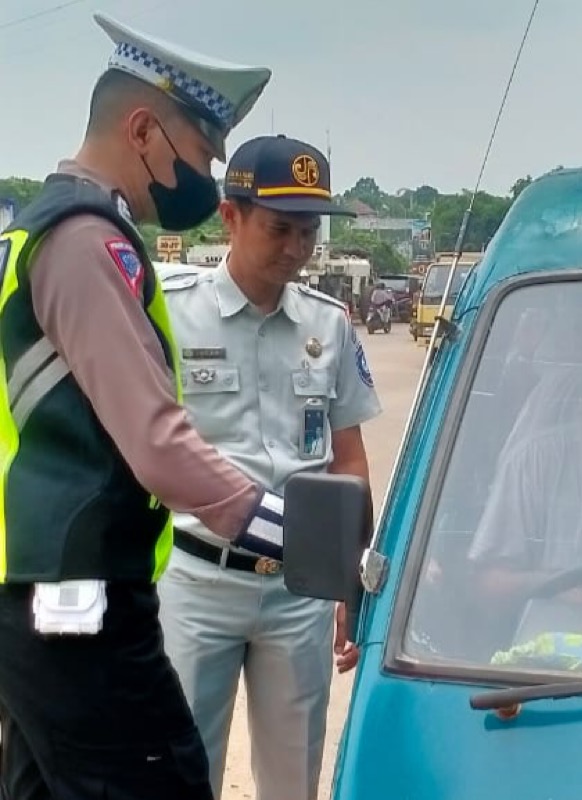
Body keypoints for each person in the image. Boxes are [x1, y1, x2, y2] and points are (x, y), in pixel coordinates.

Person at [0, 14, 295, 800]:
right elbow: (158, 446)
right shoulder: (88, 242)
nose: (205, 175)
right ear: (143, 129)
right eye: (201, 153)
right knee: (153, 779)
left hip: (38, 582)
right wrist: (288, 529)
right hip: (77, 592)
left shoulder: (33, 232)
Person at [156, 135, 381, 800]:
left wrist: (348, 579)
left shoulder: (328, 324)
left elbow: (348, 457)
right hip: (196, 580)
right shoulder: (169, 311)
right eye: (280, 228)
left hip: (298, 590)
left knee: (293, 777)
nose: (297, 248)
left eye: (309, 232)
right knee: (181, 769)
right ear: (231, 216)